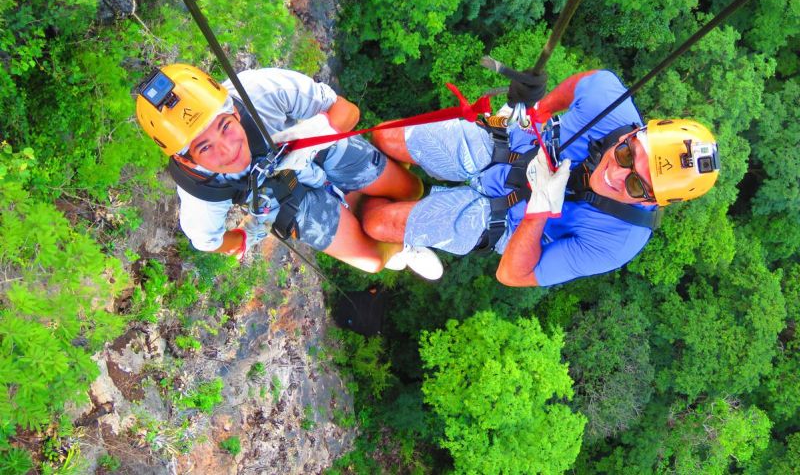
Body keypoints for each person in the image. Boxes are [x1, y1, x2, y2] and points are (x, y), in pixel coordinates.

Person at [361, 69, 720, 287]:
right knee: (383, 137)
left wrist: (539, 210)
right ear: (634, 132)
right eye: (628, 154)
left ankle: (403, 245)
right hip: (506, 142)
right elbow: (586, 82)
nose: (615, 172)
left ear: (652, 202)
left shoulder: (618, 241)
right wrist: (536, 108)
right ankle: (409, 189)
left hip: (502, 220)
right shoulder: (610, 103)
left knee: (377, 224)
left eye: (636, 184)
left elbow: (512, 275)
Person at [134, 63, 443, 279]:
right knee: (372, 261)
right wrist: (243, 237)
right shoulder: (201, 192)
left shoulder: (260, 92)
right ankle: (401, 248)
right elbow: (207, 241)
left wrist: (311, 136)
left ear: (231, 109)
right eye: (204, 148)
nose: (228, 150)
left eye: (226, 127)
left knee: (410, 190)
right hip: (281, 194)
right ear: (185, 160)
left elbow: (347, 112)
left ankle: (380, 212)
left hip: (316, 146)